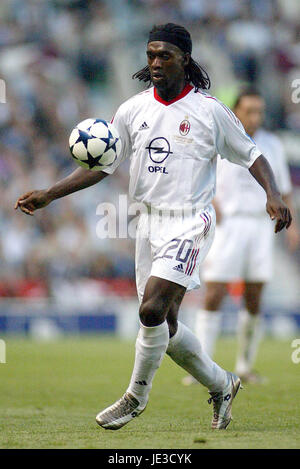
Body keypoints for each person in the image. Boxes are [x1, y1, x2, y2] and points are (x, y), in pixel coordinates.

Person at [15, 24, 292, 430]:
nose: (156, 63)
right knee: (167, 324)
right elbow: (103, 165)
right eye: (150, 55)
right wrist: (50, 194)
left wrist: (274, 194)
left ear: (185, 58)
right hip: (148, 224)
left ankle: (135, 396)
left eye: (165, 55)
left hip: (190, 221)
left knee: (150, 309)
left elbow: (253, 155)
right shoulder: (132, 110)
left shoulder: (209, 111)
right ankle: (221, 384)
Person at [184, 88, 299, 386]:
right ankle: (202, 366)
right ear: (235, 113)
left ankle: (245, 366)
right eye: (249, 111)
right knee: (214, 292)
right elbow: (199, 176)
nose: (255, 117)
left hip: (261, 226)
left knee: (255, 296)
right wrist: (212, 204)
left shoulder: (272, 144)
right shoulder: (221, 137)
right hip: (228, 225)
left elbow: (283, 188)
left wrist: (294, 227)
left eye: (259, 111)